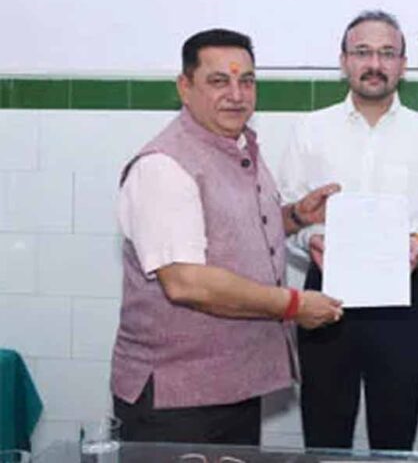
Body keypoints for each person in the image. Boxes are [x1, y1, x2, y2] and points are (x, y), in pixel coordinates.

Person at [110, 28, 344, 445]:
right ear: (185, 87)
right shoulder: (163, 166)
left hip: (234, 386)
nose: (236, 95)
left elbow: (227, 232)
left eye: (247, 81)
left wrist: (294, 217)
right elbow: (186, 282)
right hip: (176, 400)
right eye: (219, 81)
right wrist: (293, 305)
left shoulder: (239, 146)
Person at [278, 10, 418, 450]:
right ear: (344, 61)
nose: (374, 64)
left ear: (403, 64)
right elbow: (287, 212)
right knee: (324, 436)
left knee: (395, 438)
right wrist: (309, 239)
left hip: (402, 301)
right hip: (325, 298)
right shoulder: (310, 129)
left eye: (386, 53)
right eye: (362, 52)